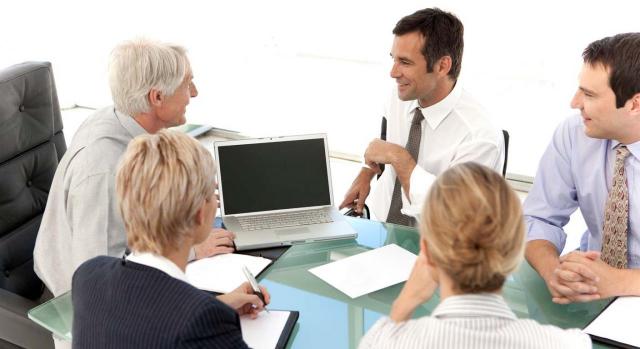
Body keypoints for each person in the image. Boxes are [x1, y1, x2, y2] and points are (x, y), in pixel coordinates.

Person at [34, 39, 235, 298]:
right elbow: (101, 276)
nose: (194, 93)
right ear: (157, 97)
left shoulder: (120, 117)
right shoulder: (102, 171)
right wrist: (193, 248)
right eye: (187, 84)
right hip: (79, 309)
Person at [359, 163, 591, 349]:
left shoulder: (386, 341)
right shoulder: (567, 343)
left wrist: (403, 304)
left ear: (428, 253)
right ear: (515, 249)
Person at [72, 130, 267, 348]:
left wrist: (219, 305)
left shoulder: (88, 275)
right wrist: (212, 313)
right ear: (199, 214)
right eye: (213, 193)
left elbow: (145, 321)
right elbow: (181, 324)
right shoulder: (203, 323)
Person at [340, 8, 503, 226]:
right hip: (381, 228)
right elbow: (384, 141)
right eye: (393, 59)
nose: (393, 72)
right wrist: (367, 171)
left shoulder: (479, 136)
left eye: (405, 62)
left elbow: (452, 216)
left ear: (442, 66)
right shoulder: (401, 95)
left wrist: (400, 158)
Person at [524, 32, 640, 304]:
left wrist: (619, 281)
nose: (574, 103)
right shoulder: (575, 133)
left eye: (588, 94)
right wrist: (553, 271)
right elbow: (539, 218)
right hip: (590, 288)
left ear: (635, 104)